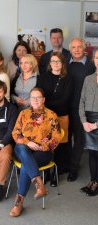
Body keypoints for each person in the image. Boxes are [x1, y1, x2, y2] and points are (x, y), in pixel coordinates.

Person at [9, 87, 61, 217]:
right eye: (33, 97)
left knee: (27, 165)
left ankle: (18, 203)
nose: (36, 100)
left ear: (43, 99)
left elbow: (56, 137)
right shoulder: (23, 114)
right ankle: (39, 186)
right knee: (21, 148)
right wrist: (28, 143)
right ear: (29, 99)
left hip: (43, 152)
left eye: (38, 97)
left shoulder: (51, 115)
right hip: (24, 149)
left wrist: (42, 146)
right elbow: (15, 134)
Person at [36, 52, 72, 185]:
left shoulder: (68, 78)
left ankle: (56, 173)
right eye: (53, 61)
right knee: (45, 143)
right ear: (49, 64)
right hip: (45, 117)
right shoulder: (42, 78)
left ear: (62, 64)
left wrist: (46, 103)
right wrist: (44, 104)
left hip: (62, 116)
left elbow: (65, 100)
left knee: (60, 146)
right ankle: (45, 172)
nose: (55, 63)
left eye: (58, 61)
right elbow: (39, 97)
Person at [67, 37, 95, 182]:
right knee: (64, 139)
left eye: (79, 47)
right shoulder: (66, 64)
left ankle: (73, 169)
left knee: (78, 140)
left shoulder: (91, 66)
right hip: (66, 107)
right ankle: (64, 166)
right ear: (70, 49)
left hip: (81, 109)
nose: (77, 50)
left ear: (84, 48)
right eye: (74, 47)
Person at [79, 48, 98, 197]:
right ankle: (93, 180)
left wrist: (96, 125)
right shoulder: (88, 78)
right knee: (92, 153)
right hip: (88, 120)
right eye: (97, 57)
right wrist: (84, 122)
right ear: (93, 60)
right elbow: (82, 102)